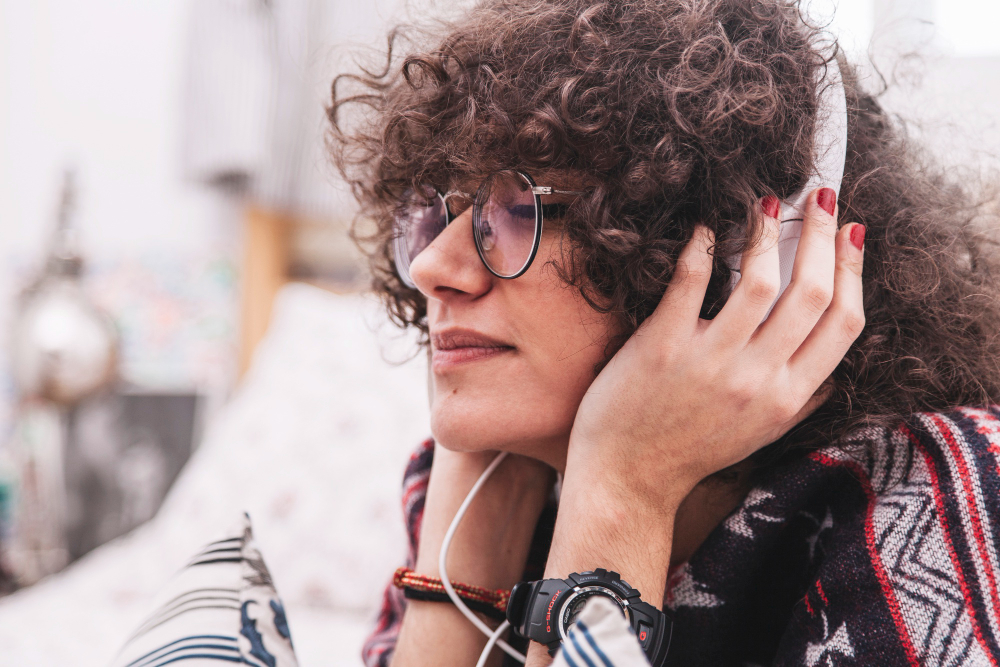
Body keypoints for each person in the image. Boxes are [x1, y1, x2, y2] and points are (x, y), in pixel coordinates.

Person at [327, 0, 1000, 664]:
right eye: (431, 216)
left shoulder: (934, 490)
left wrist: (626, 488)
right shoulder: (463, 481)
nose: (429, 266)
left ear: (730, 250)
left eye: (515, 209)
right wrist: (465, 559)